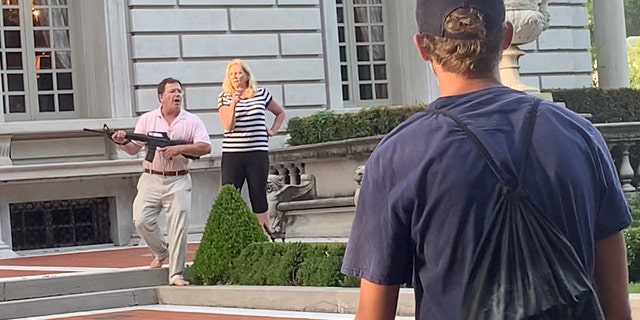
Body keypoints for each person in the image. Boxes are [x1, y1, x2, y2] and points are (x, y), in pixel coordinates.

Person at [341, 0, 633, 319]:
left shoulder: (398, 156)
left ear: (422, 47)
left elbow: (374, 315)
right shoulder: (580, 136)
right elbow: (617, 308)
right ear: (505, 37)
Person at [112, 77, 211, 286]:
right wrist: (122, 141)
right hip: (151, 177)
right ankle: (161, 251)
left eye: (179, 92)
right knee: (141, 220)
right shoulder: (148, 119)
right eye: (172, 92)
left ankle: (176, 274)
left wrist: (180, 149)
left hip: (179, 180)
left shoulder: (191, 121)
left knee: (178, 227)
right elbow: (133, 149)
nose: (177, 95)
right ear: (161, 97)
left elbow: (205, 147)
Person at [217, 59, 286, 235]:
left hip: (257, 153)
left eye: (239, 73)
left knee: (258, 193)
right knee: (230, 194)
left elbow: (280, 112)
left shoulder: (261, 93)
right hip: (233, 154)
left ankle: (265, 233)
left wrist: (272, 130)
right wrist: (234, 102)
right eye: (232, 74)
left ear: (247, 75)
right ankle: (230, 234)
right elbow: (228, 125)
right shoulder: (224, 97)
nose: (236, 77)